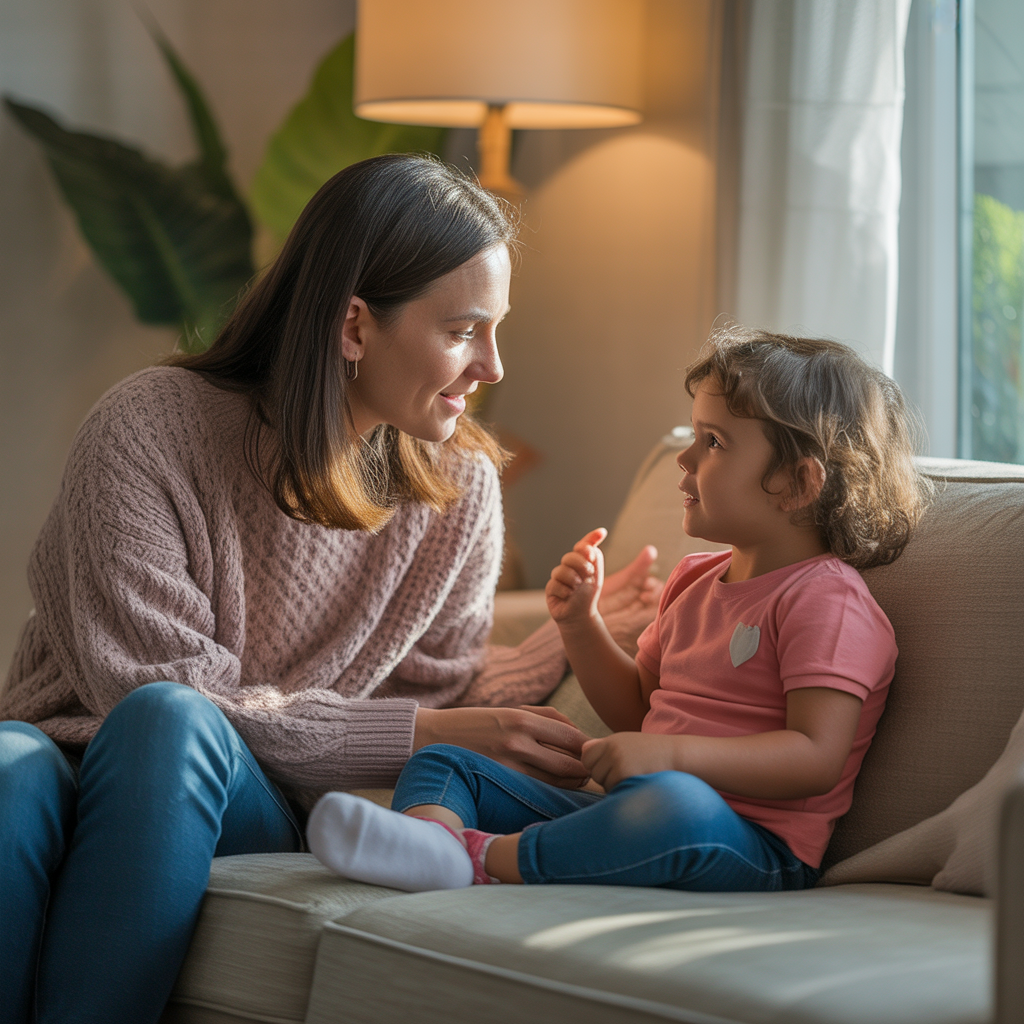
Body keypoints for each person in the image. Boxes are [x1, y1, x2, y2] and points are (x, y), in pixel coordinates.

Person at [0, 154, 660, 1024]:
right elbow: (146, 684)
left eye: (497, 330)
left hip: (247, 793)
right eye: (464, 331)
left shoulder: (460, 490)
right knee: (19, 765)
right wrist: (430, 725)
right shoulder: (148, 428)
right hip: (78, 749)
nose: (493, 367)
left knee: (171, 725)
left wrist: (568, 639)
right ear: (354, 326)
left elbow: (430, 686)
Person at [306, 326, 931, 894]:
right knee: (448, 762)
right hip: (632, 805)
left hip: (747, 840)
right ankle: (428, 844)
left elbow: (815, 758)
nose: (685, 459)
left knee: (675, 805)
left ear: (797, 484)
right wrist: (581, 624)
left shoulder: (828, 601)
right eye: (692, 434)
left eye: (713, 442)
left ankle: (481, 858)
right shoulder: (695, 581)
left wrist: (673, 757)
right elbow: (638, 707)